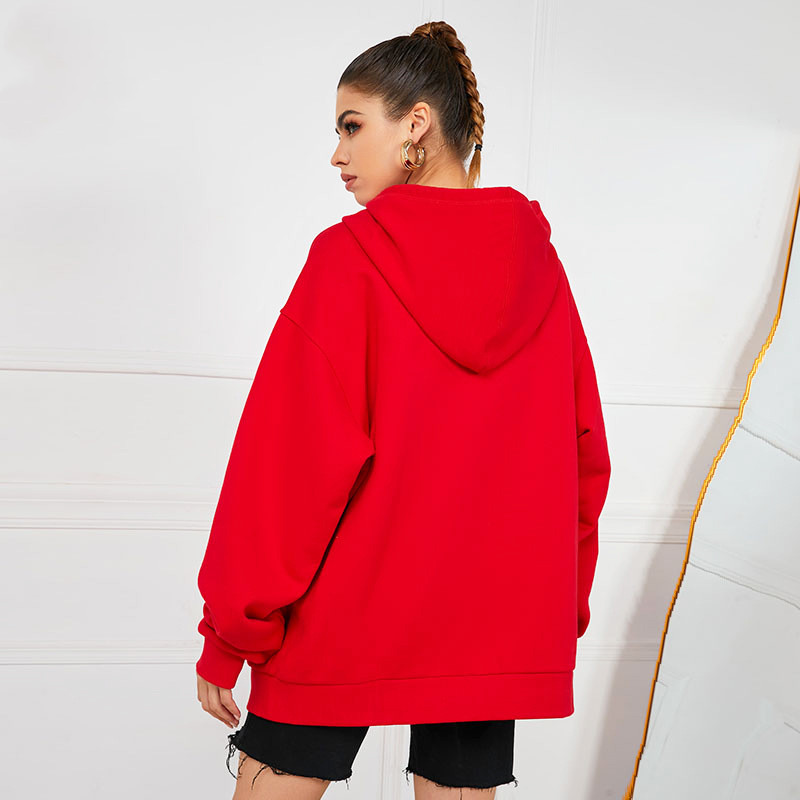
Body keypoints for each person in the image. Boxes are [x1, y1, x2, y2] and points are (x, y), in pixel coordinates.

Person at [195, 19, 611, 800]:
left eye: (353, 126)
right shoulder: (540, 268)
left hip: (342, 621)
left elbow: (286, 467)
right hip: (491, 626)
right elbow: (582, 456)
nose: (338, 153)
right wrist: (554, 608)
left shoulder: (348, 260)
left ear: (415, 124)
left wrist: (230, 632)